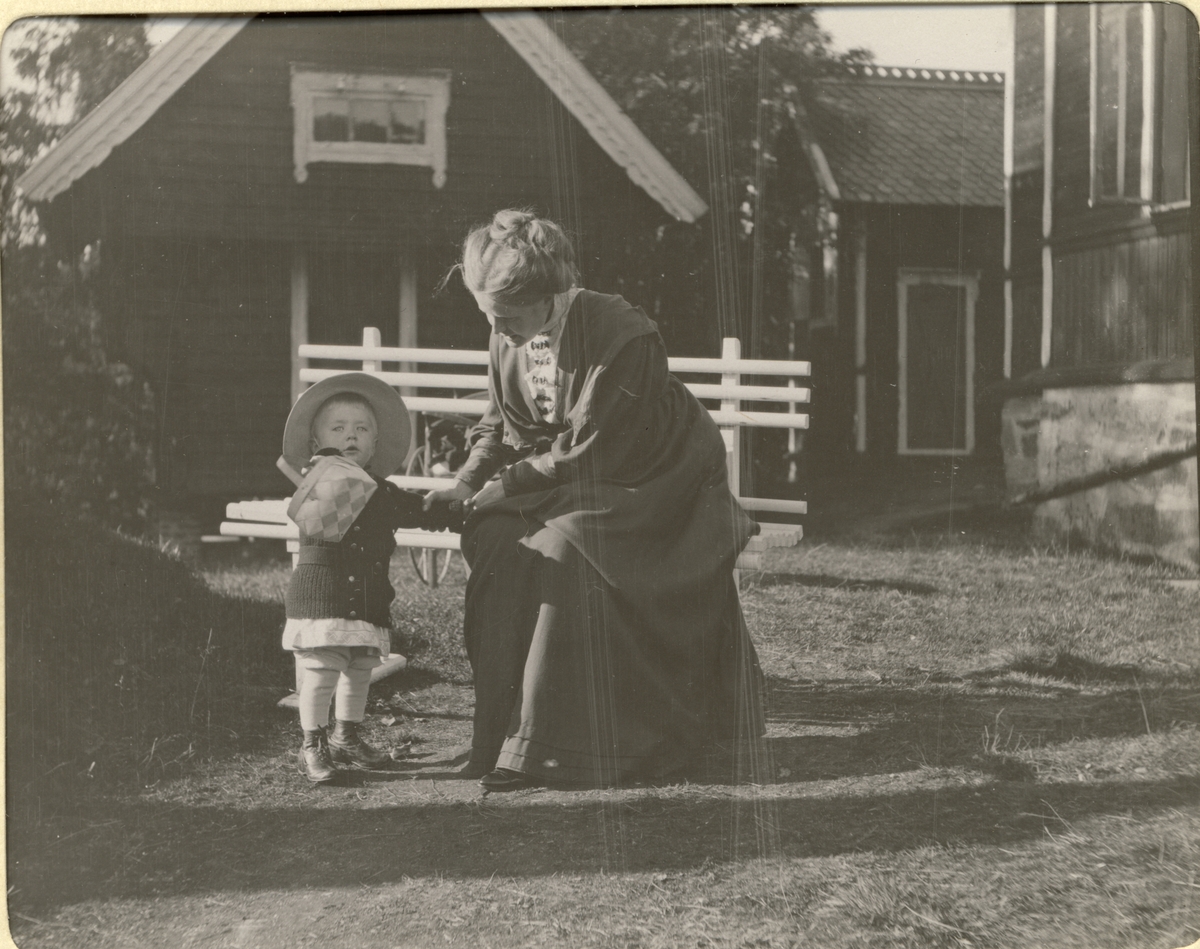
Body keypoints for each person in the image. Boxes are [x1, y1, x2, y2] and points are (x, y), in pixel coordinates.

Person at [425, 209, 764, 791]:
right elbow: (498, 423)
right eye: (490, 318)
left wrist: (509, 484)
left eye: (508, 318)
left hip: (658, 475)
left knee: (563, 547)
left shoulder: (620, 331)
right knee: (497, 538)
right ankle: (507, 736)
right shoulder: (509, 329)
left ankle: (565, 748)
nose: (500, 330)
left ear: (548, 295)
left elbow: (598, 446)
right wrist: (465, 481)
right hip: (573, 472)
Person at [280, 373, 461, 784]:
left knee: (359, 667)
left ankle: (347, 735)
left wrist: (459, 516)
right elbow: (324, 508)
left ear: (375, 446)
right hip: (322, 597)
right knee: (323, 668)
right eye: (338, 428)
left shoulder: (383, 491)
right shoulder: (320, 481)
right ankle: (313, 742)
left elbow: (422, 512)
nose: (351, 436)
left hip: (366, 599)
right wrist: (322, 467)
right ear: (315, 443)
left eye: (362, 430)